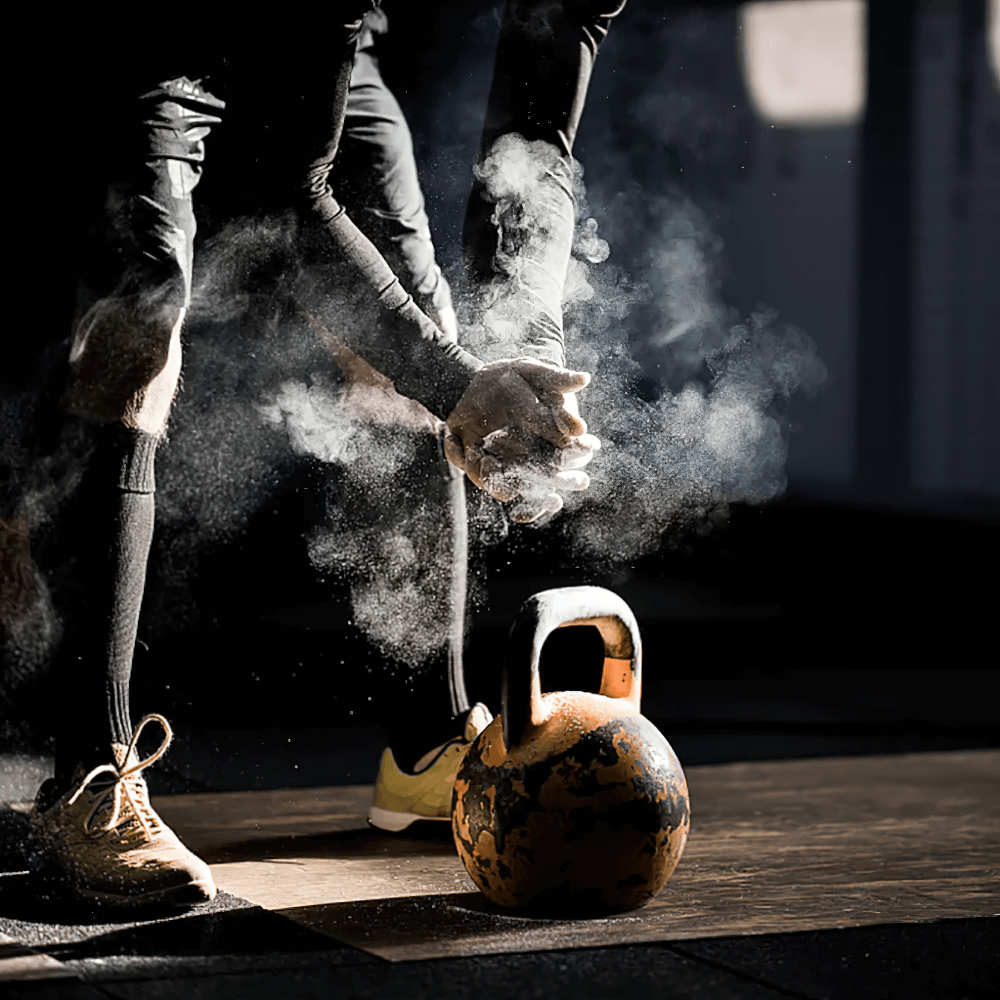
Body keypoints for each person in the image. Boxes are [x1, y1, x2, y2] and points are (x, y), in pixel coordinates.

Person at [28, 0, 625, 908]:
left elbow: (531, 139)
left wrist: (514, 339)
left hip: (296, 35)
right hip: (128, 32)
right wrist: (458, 380)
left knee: (419, 311)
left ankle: (428, 742)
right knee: (141, 309)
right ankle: (90, 774)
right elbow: (286, 205)